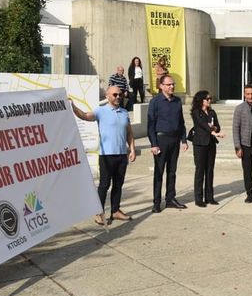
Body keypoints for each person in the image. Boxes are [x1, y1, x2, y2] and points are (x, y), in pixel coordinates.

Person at [70, 85, 136, 225]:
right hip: (106, 155)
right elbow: (84, 116)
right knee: (104, 185)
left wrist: (132, 149)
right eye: (114, 95)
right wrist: (73, 106)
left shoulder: (124, 112)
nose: (118, 97)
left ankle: (115, 210)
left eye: (120, 95)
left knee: (118, 184)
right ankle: (99, 213)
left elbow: (129, 133)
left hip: (121, 155)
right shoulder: (101, 111)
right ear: (107, 96)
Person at [147, 74, 188, 212]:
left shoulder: (177, 101)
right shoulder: (155, 102)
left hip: (174, 140)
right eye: (169, 84)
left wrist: (183, 139)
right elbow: (150, 125)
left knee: (172, 172)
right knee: (159, 173)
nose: (172, 86)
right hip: (161, 140)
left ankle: (170, 198)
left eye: (173, 84)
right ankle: (156, 202)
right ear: (161, 86)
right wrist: (153, 144)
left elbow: (181, 122)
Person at [190, 90, 225, 207]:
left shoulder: (212, 112)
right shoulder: (196, 112)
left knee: (210, 170)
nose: (210, 100)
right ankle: (199, 198)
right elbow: (202, 124)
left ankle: (209, 197)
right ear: (201, 100)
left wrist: (214, 128)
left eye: (210, 99)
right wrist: (212, 131)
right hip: (200, 144)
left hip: (210, 144)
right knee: (200, 171)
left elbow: (218, 127)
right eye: (207, 99)